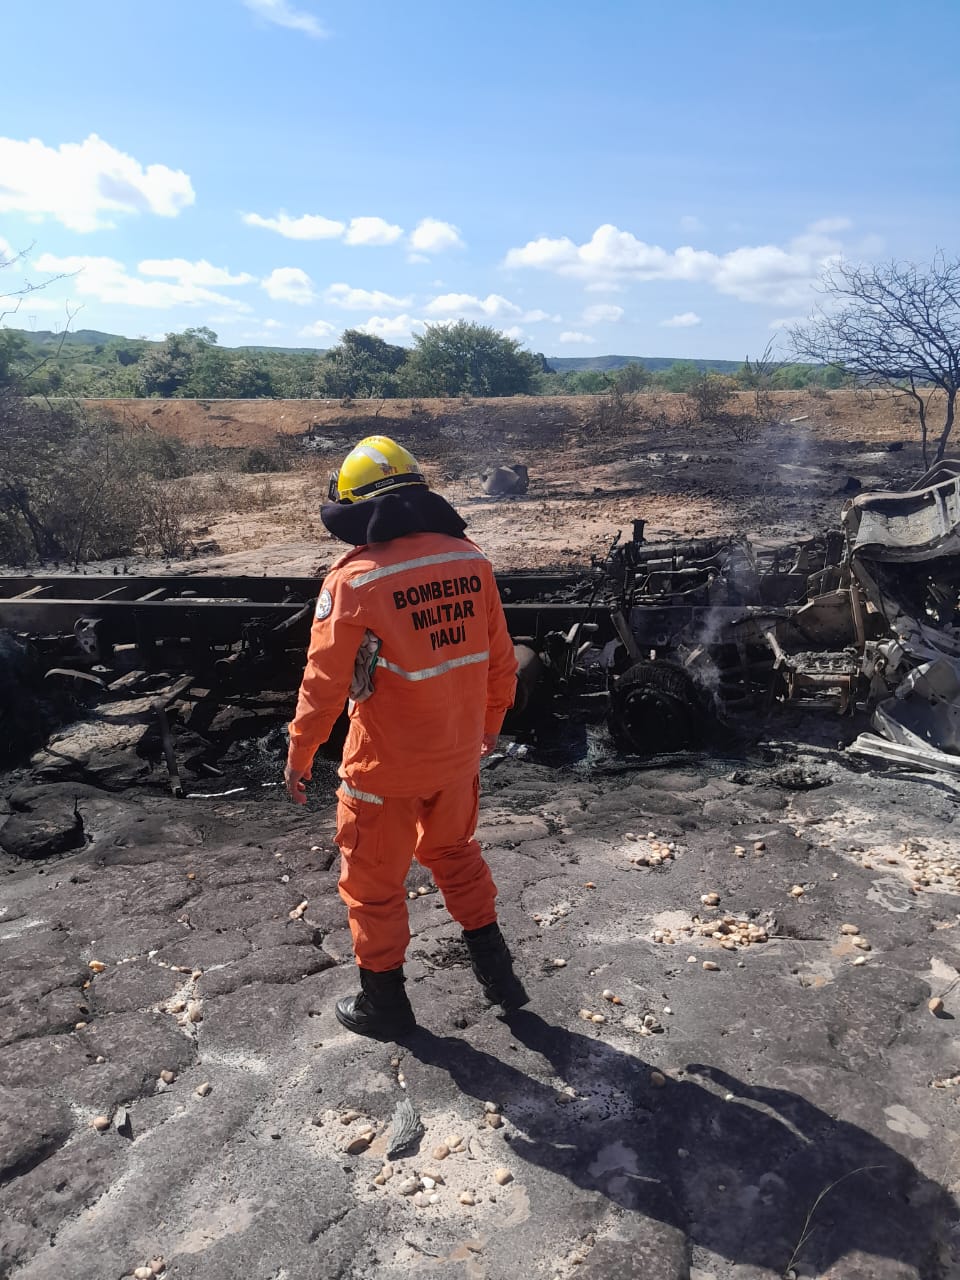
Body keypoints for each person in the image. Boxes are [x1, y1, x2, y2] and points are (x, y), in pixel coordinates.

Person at [284, 435, 528, 1039]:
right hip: (457, 760)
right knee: (457, 858)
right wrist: (489, 729)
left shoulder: (354, 580)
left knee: (373, 888)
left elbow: (325, 682)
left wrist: (300, 752)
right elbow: (501, 661)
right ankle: (501, 980)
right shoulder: (471, 560)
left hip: (383, 771)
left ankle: (386, 1005)